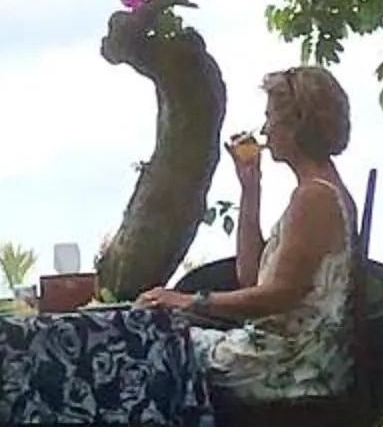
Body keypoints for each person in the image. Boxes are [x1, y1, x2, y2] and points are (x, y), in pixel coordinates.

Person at [140, 63, 358, 400]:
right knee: (163, 345)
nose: (265, 129)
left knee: (147, 354)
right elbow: (251, 277)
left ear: (297, 123)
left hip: (288, 361)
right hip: (284, 351)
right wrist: (250, 189)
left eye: (271, 116)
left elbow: (277, 295)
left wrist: (187, 301)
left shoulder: (314, 196)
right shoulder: (321, 190)